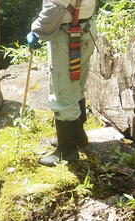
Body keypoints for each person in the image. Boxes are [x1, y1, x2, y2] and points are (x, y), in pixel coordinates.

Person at [27, 0, 99, 166]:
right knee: (77, 83)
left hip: (68, 35)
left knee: (63, 90)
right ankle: (77, 135)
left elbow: (55, 9)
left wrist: (37, 31)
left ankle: (66, 151)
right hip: (86, 27)